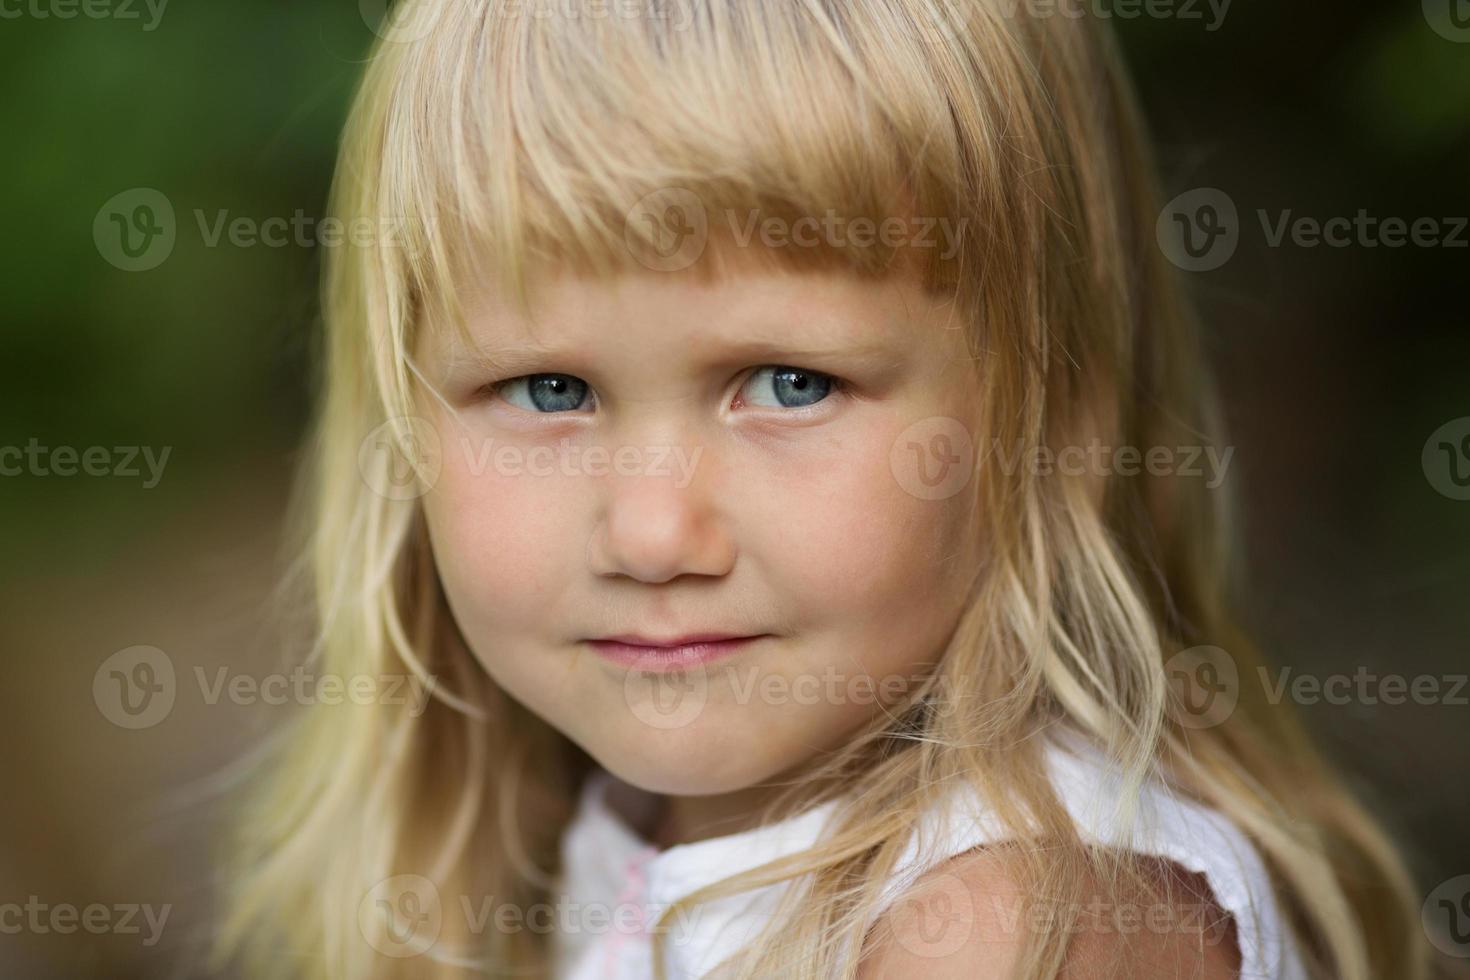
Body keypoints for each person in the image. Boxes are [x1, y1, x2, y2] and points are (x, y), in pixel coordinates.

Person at [210, 1, 1435, 977]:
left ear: (1051, 420)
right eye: (545, 390)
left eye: (789, 382)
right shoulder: (592, 842)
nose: (651, 533)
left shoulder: (1018, 922)